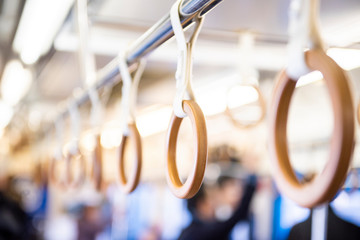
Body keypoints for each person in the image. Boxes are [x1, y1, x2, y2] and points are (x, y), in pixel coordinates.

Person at [178, 174, 256, 240]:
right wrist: (252, 182)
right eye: (210, 199)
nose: (214, 203)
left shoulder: (188, 231)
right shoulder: (199, 232)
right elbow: (234, 219)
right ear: (201, 204)